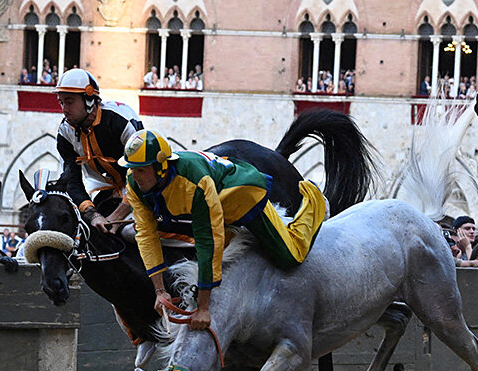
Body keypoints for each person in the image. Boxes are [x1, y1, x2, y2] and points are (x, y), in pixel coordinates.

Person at [121, 130, 327, 331]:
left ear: (161, 167)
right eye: (132, 168)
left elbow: (207, 240)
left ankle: (314, 199)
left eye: (142, 169)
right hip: (211, 209)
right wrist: (160, 291)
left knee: (290, 256)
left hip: (240, 197)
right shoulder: (134, 183)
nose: (135, 176)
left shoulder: (194, 182)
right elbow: (146, 236)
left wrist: (203, 308)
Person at [55, 68, 144, 234]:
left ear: (89, 99)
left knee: (130, 234)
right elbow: (72, 181)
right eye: (61, 102)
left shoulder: (121, 120)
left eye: (69, 102)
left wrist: (115, 218)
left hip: (141, 190)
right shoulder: (64, 133)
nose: (64, 109)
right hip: (101, 192)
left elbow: (142, 173)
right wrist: (93, 215)